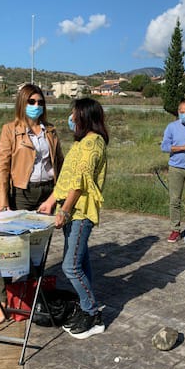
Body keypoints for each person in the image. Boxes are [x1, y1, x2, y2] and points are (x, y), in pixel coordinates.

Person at [0, 83, 64, 324]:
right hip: (22, 192)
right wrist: (2, 196)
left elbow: (60, 164)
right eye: (31, 101)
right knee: (11, 248)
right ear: (22, 103)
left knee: (37, 248)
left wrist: (59, 195)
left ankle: (27, 296)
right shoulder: (11, 130)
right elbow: (2, 165)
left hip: (47, 192)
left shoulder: (50, 131)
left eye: (40, 102)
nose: (36, 106)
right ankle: (3, 300)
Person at [38, 97, 108, 340]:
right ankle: (85, 304)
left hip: (79, 212)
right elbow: (66, 179)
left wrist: (65, 210)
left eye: (74, 115)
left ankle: (93, 314)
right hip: (72, 211)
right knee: (82, 261)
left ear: (84, 117)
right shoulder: (81, 143)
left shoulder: (93, 144)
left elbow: (80, 184)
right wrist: (50, 201)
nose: (71, 119)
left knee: (70, 266)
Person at [161, 100, 185, 242]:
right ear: (178, 112)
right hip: (176, 168)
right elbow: (164, 147)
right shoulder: (171, 127)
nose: (184, 114)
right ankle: (175, 229)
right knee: (175, 200)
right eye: (182, 112)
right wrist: (183, 148)